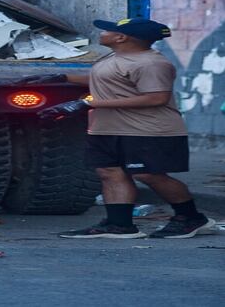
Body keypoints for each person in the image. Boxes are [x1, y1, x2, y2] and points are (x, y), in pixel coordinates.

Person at [26, 17, 217, 239]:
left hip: (147, 130)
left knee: (149, 175)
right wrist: (62, 77)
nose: (102, 32)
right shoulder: (117, 57)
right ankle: (119, 225)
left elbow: (156, 98)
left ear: (121, 37)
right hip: (108, 128)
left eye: (108, 30)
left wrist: (87, 103)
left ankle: (191, 218)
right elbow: (110, 80)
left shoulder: (151, 64)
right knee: (109, 172)